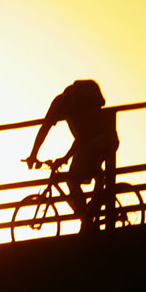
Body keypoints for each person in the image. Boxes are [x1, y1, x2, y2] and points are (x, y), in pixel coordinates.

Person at [24, 79, 119, 232]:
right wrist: (37, 154)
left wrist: (36, 155)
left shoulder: (70, 105)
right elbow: (75, 137)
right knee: (87, 171)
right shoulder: (72, 105)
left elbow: (78, 136)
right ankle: (92, 209)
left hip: (98, 141)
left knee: (72, 179)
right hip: (106, 140)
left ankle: (86, 219)